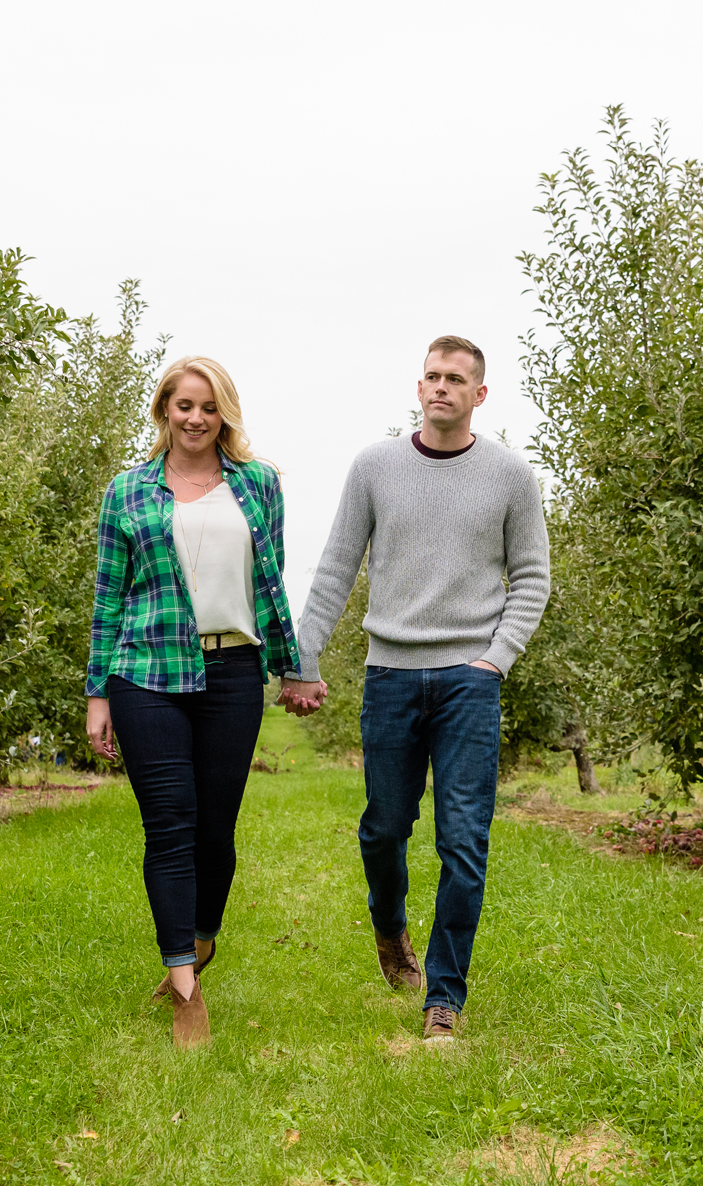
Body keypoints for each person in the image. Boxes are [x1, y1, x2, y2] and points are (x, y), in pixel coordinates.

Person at [277, 335, 549, 1042]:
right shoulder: (375, 466)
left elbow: (532, 577)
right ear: (418, 385)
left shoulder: (511, 476)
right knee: (384, 826)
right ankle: (390, 927)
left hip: (470, 681)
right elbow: (336, 566)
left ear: (479, 394)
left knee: (464, 840)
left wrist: (495, 659)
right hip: (390, 674)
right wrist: (302, 657)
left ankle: (445, 993)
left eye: (456, 379)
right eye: (432, 375)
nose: (441, 388)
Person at [86, 355, 301, 1049]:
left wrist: (294, 665)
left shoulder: (258, 484)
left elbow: (270, 579)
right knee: (171, 824)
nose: (196, 418)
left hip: (233, 671)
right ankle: (184, 983)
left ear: (224, 414)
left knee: (216, 832)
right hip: (146, 670)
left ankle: (200, 939)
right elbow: (107, 600)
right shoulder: (127, 491)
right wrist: (98, 693)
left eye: (208, 407)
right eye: (183, 405)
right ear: (162, 410)